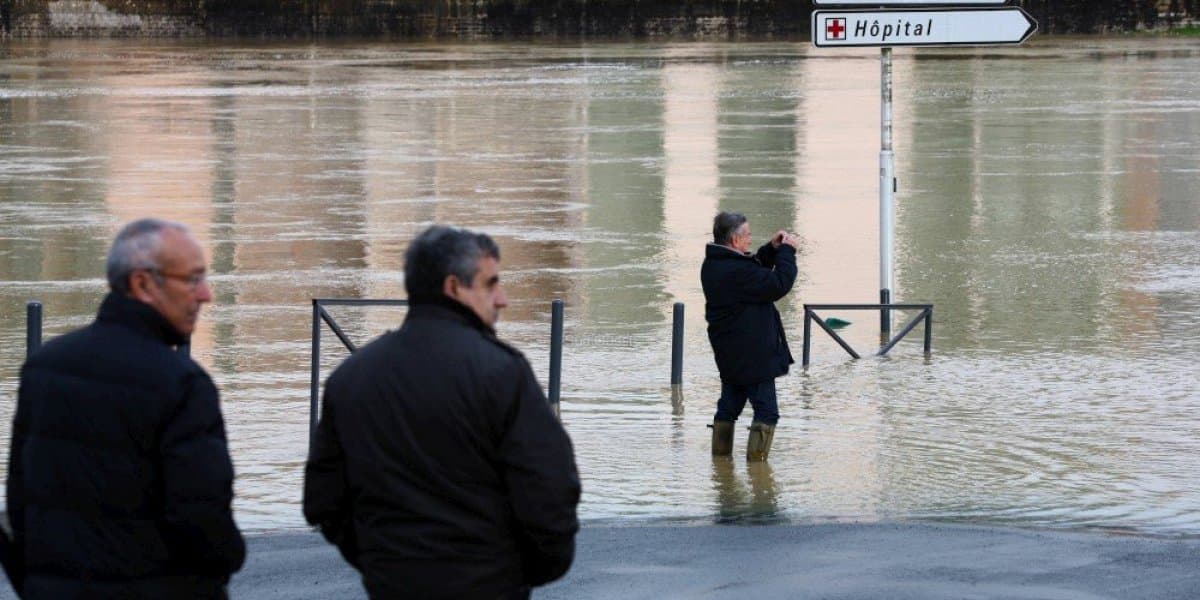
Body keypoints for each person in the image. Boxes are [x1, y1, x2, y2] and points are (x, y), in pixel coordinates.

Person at [304, 225, 581, 600]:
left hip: (392, 584)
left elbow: (323, 500)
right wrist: (520, 570)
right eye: (491, 284)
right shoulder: (502, 373)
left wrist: (379, 558)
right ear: (454, 288)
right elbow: (550, 488)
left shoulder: (351, 378)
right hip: (490, 585)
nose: (502, 299)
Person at [4, 218, 245, 598]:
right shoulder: (181, 383)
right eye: (192, 279)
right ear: (143, 284)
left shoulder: (45, 365)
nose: (205, 294)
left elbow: (21, 500)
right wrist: (226, 562)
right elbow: (202, 519)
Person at [701, 211, 798, 461]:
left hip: (731, 353)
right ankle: (758, 473)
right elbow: (778, 284)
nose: (750, 239)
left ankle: (721, 467)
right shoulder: (736, 271)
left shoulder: (715, 264)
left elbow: (752, 269)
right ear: (734, 240)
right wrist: (787, 252)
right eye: (747, 235)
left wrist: (771, 249)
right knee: (767, 413)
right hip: (753, 356)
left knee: (729, 407)